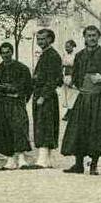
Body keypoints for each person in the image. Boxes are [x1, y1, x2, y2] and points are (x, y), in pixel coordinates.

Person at [60, 25, 101, 175]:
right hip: (83, 98)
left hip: (99, 97)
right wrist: (76, 83)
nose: (91, 38)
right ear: (84, 37)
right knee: (78, 130)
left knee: (97, 130)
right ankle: (78, 165)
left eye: (94, 35)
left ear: (98, 37)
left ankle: (94, 165)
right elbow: (76, 74)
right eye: (89, 36)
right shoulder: (80, 55)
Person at [0, 42, 33, 170]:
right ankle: (10, 159)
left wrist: (21, 99)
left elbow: (28, 87)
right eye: (3, 53)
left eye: (7, 52)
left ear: (12, 52)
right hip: (3, 103)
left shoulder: (22, 68)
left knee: (19, 129)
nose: (5, 55)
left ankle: (21, 158)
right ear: (0, 54)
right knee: (5, 130)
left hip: (16, 103)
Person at [30, 28, 64, 168]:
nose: (40, 42)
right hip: (41, 93)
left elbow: (53, 79)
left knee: (44, 125)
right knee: (43, 124)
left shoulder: (52, 56)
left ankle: (42, 159)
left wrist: (43, 96)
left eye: (43, 39)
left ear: (50, 39)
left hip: (46, 96)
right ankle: (47, 159)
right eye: (38, 39)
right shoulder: (45, 54)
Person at [60, 39, 78, 115]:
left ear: (72, 47)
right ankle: (69, 111)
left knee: (72, 95)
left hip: (72, 76)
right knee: (66, 95)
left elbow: (76, 68)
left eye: (68, 47)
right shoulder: (65, 55)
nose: (66, 48)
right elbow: (62, 65)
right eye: (65, 47)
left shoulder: (75, 56)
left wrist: (73, 80)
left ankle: (70, 113)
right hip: (66, 76)